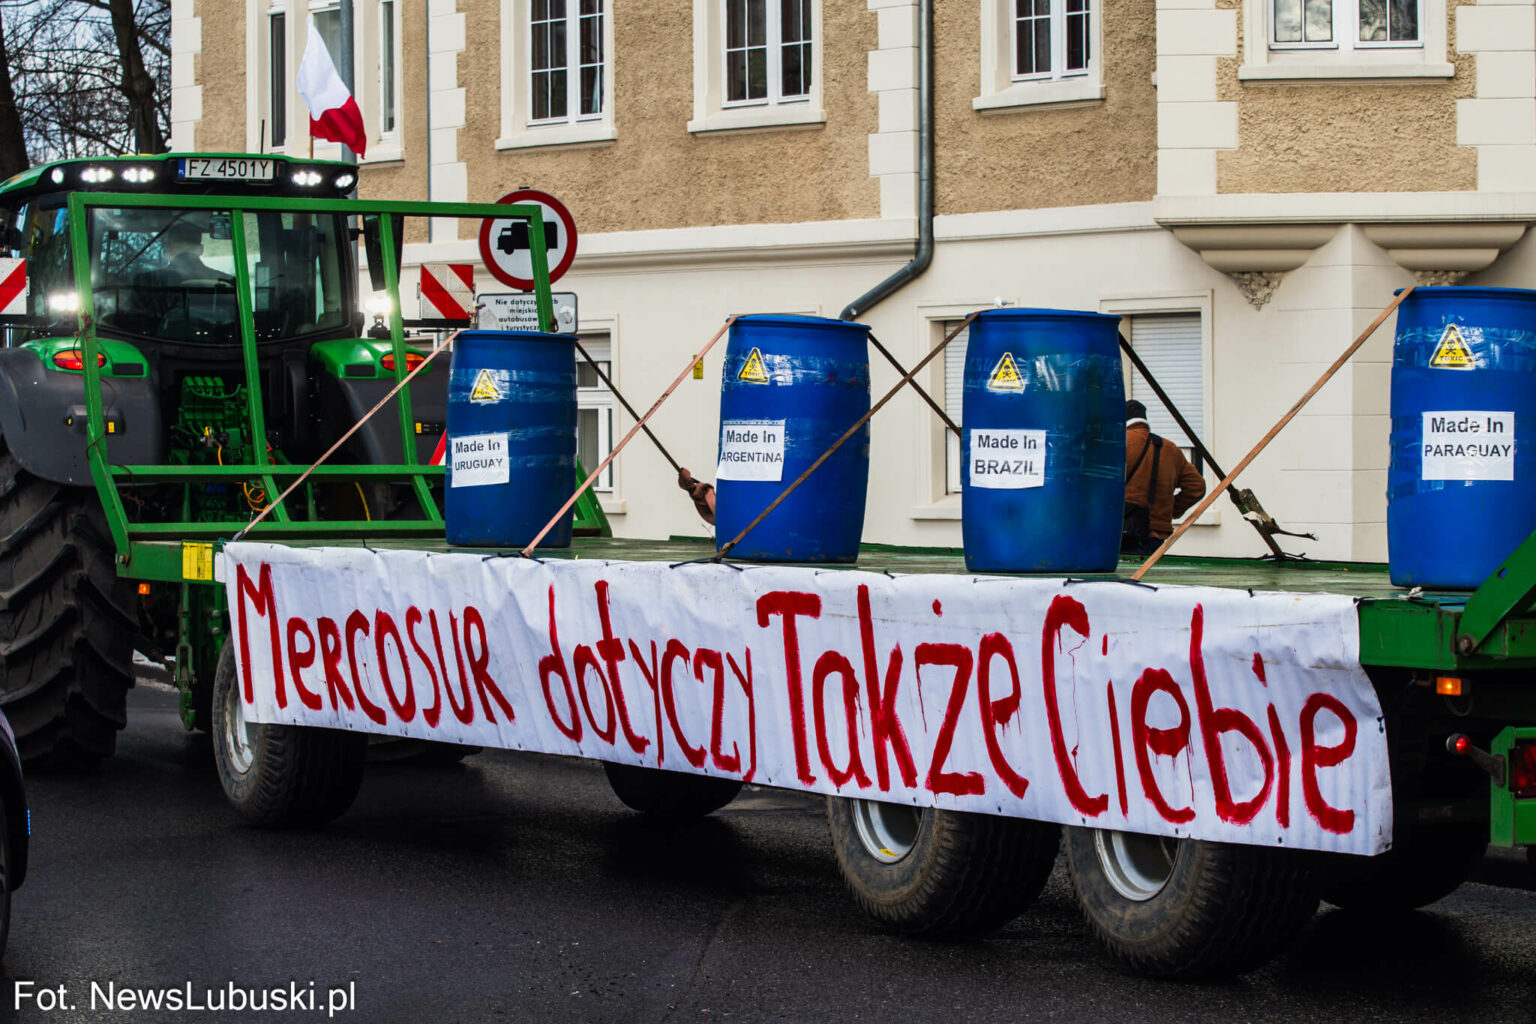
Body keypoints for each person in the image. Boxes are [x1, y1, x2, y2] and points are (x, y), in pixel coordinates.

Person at [1123, 399, 1206, 555]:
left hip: (1121, 532)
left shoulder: (1118, 444)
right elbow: (1197, 487)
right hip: (1156, 534)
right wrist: (1169, 510)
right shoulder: (1170, 448)